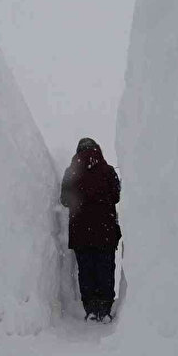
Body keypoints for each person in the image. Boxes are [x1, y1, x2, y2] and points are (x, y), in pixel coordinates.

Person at [60, 137, 121, 322]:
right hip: (106, 230)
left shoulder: (71, 172)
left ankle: (91, 309)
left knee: (86, 270)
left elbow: (64, 200)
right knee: (105, 268)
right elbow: (116, 196)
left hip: (81, 232)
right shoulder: (108, 170)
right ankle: (105, 309)